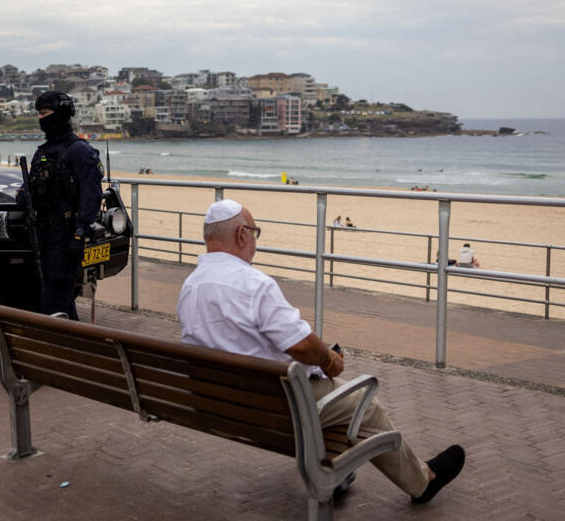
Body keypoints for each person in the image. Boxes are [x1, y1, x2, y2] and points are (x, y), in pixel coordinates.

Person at [177, 199, 465, 505]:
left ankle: (336, 473)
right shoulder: (253, 285)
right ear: (241, 235)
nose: (255, 243)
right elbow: (300, 345)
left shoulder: (190, 287)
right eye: (255, 233)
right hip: (278, 405)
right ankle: (422, 482)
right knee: (364, 406)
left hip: (221, 404)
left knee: (335, 402)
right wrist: (328, 360)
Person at [24, 91, 104, 320]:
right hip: (44, 233)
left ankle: (60, 345)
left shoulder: (79, 150)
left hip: (68, 234)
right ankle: (74, 342)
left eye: (45, 113)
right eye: (39, 114)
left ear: (60, 114)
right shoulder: (42, 153)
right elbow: (31, 185)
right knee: (57, 295)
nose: (41, 118)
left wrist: (79, 231)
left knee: (55, 297)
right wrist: (23, 194)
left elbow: (92, 195)